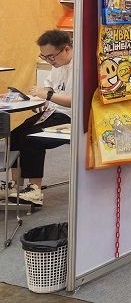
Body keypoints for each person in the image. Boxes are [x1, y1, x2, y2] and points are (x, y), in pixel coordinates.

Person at [0, 30, 74, 207]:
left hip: (71, 117)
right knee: (15, 135)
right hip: (53, 111)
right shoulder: (57, 65)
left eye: (51, 57)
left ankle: (35, 189)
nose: (48, 61)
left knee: (32, 138)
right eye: (44, 57)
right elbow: (48, 87)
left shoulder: (80, 67)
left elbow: (76, 101)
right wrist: (39, 97)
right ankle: (16, 185)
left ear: (67, 49)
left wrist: (47, 96)